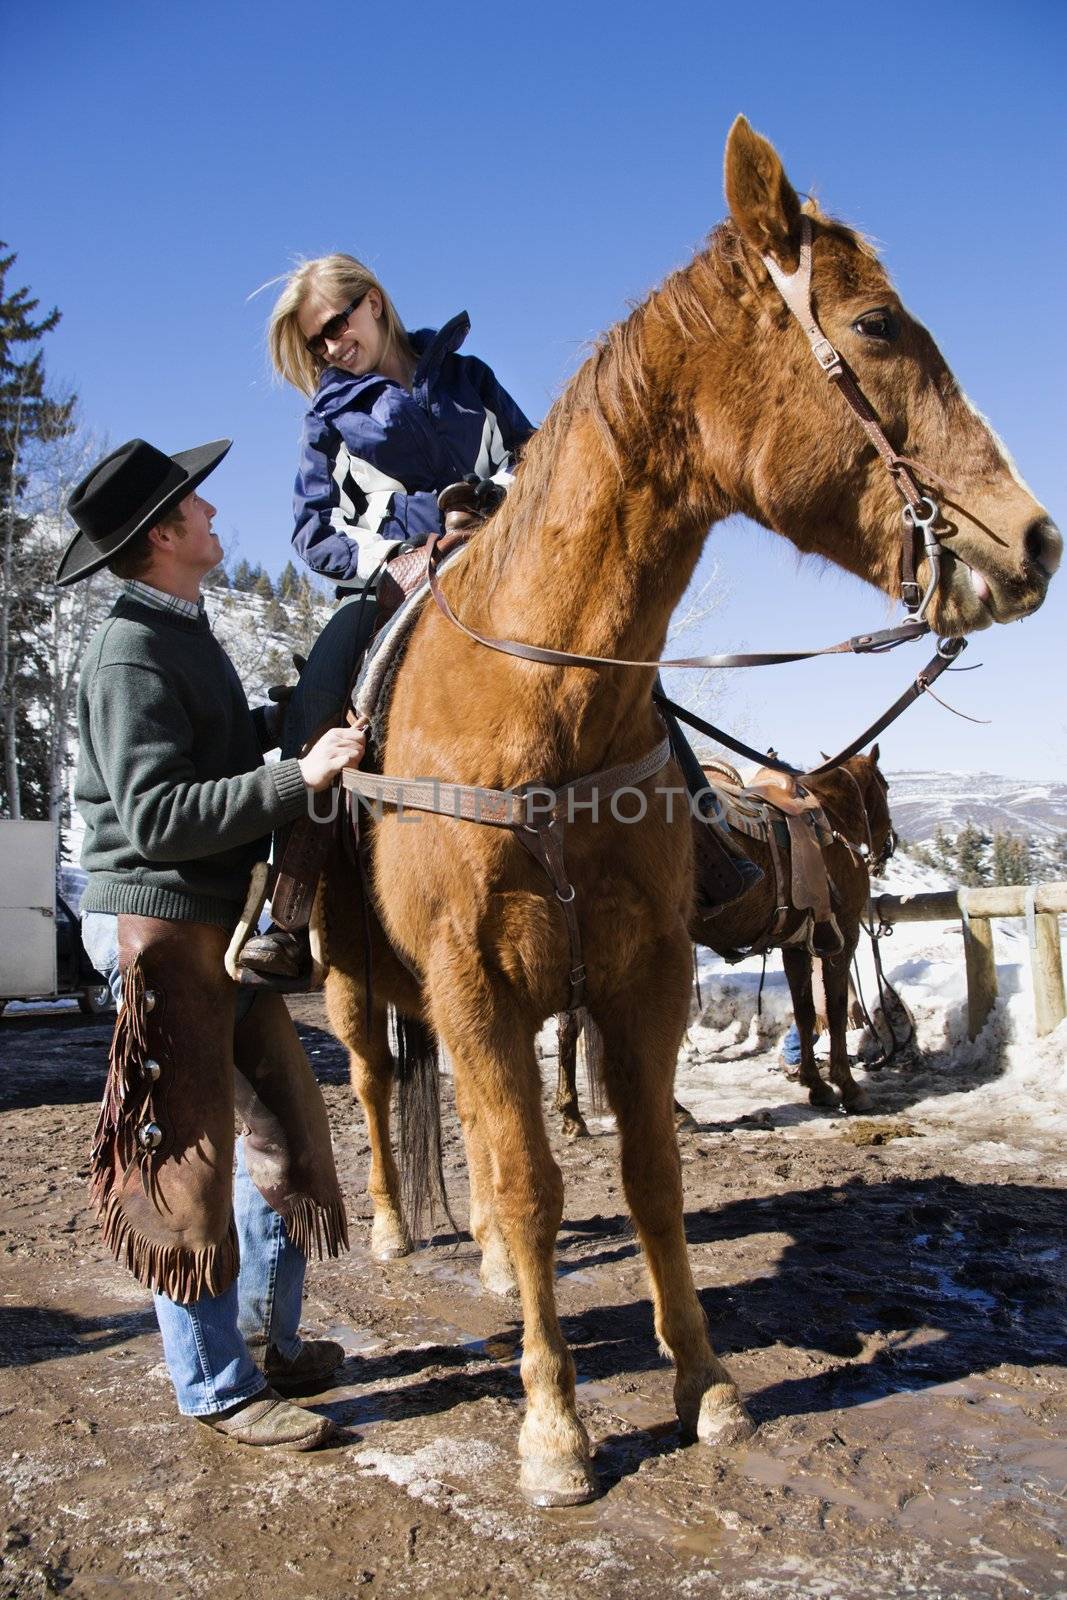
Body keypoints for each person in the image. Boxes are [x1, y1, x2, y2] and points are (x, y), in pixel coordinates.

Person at [57, 436, 367, 1450]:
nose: (214, 515)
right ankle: (218, 1389)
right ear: (164, 534)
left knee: (282, 1134)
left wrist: (306, 722)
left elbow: (218, 756)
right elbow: (156, 816)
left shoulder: (178, 630)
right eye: (197, 507)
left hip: (215, 929)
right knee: (183, 1161)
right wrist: (298, 777)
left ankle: (267, 1347)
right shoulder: (130, 651)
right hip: (159, 933)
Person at [237, 254, 535, 982]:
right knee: (323, 690)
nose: (331, 348)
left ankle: (708, 847)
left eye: (335, 326)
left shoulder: (469, 378)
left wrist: (491, 498)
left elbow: (536, 456)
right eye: (316, 344)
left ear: (372, 303)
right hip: (395, 580)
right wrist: (421, 523)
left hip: (505, 561)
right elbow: (314, 535)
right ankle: (290, 905)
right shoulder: (329, 421)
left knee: (613, 659)